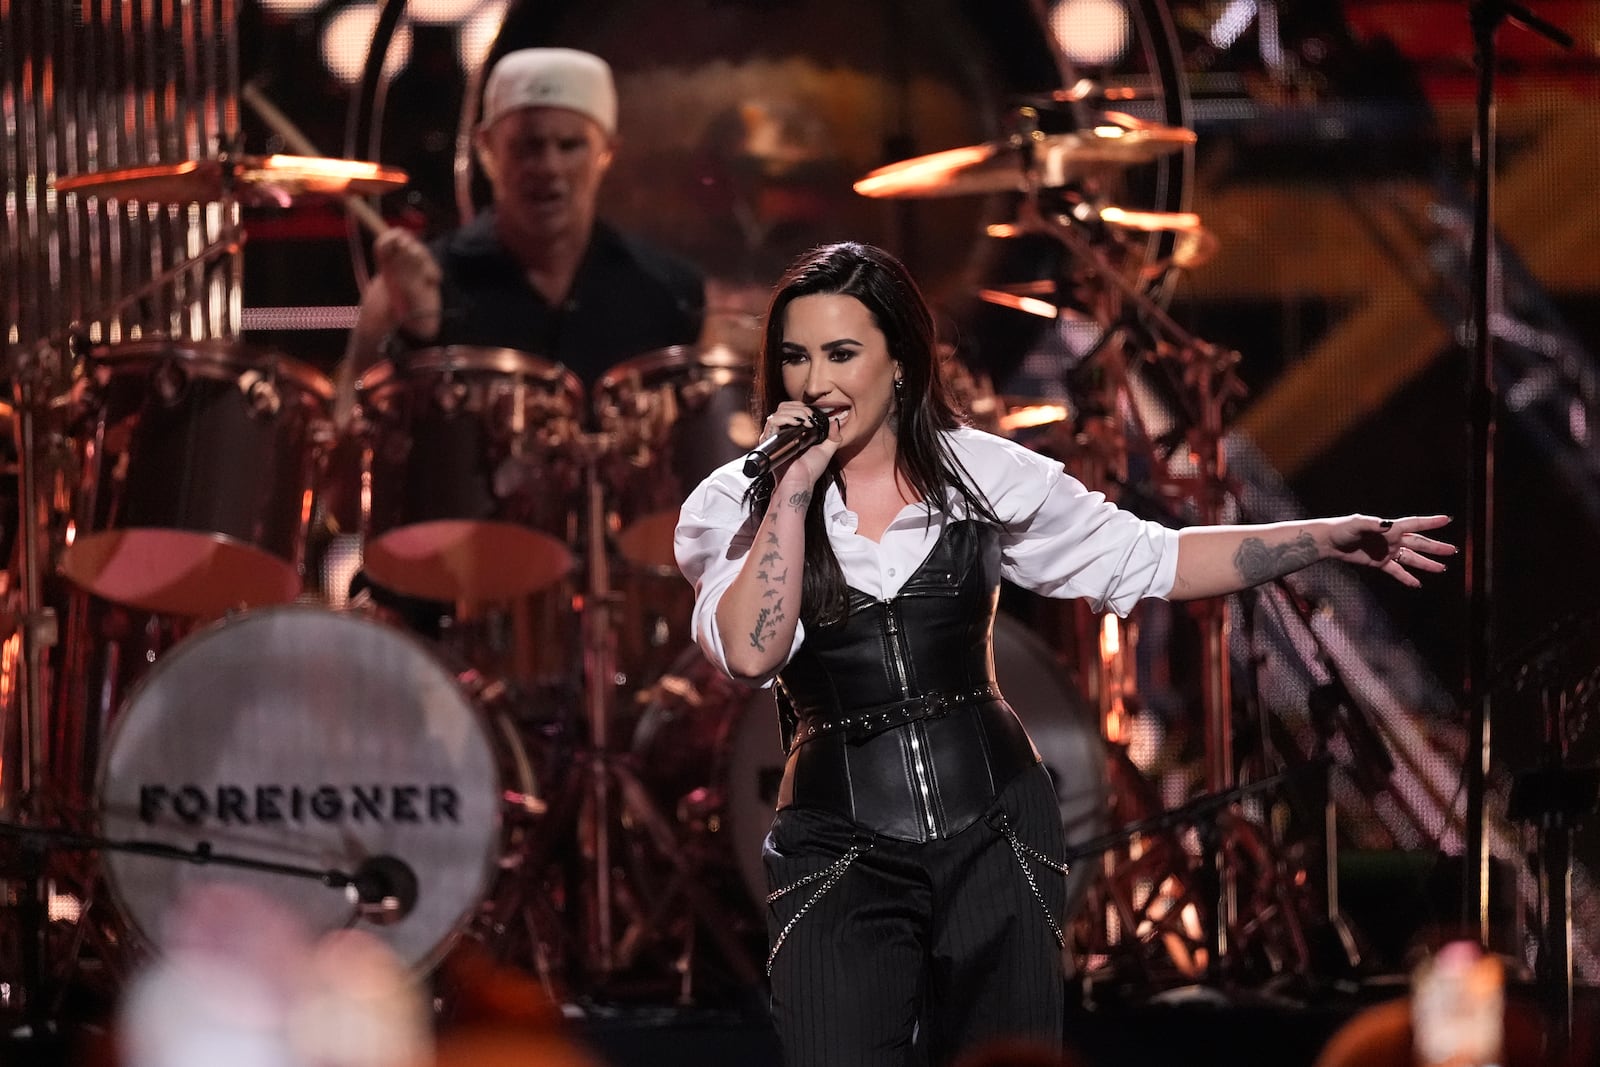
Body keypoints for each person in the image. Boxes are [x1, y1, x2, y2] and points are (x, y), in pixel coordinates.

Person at [673, 241, 1455, 1067]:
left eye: (842, 353)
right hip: (836, 846)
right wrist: (791, 489)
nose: (816, 381)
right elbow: (753, 653)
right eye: (795, 356)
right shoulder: (735, 502)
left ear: (899, 362)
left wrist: (1322, 539)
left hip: (996, 830)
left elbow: (1155, 557)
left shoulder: (982, 472)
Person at [338, 45, 705, 412]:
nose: (549, 166)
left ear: (607, 151)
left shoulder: (671, 293)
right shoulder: (414, 284)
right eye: (528, 146)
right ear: (486, 149)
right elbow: (351, 432)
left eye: (569, 145)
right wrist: (410, 332)